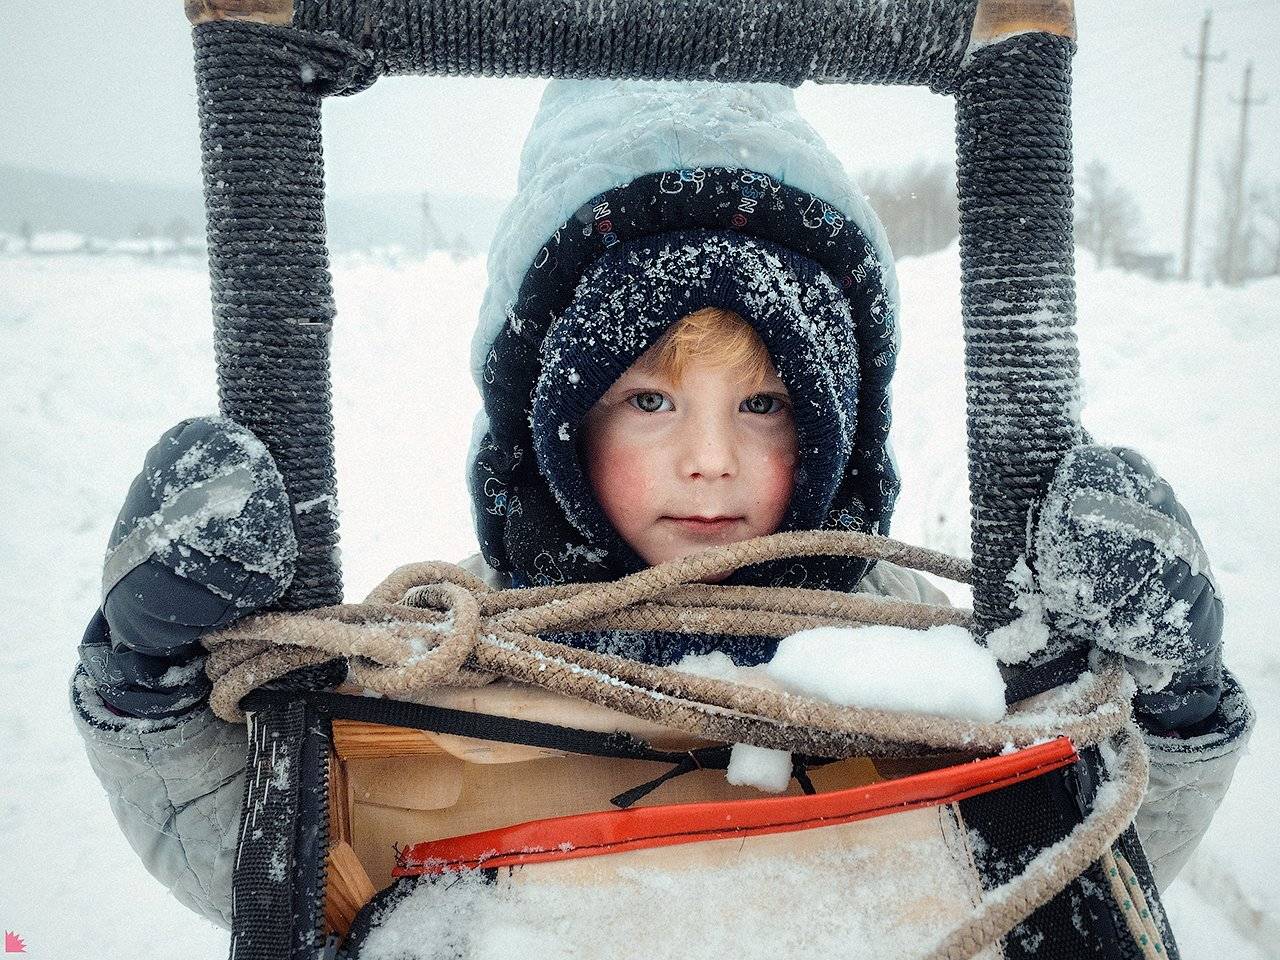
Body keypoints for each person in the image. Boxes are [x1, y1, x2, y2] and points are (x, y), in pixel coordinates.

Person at [69, 79, 1253, 934]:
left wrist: (1170, 701)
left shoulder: (930, 659)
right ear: (555, 423)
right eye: (646, 399)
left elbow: (1091, 864)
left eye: (764, 405)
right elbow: (262, 861)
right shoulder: (463, 654)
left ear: (836, 428)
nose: (707, 461)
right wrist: (152, 680)